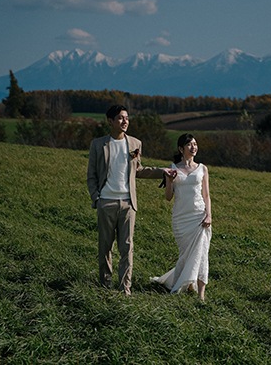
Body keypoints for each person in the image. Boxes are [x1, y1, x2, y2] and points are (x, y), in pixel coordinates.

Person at [86, 104, 177, 295]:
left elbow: (139, 170)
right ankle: (105, 286)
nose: (125, 121)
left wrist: (163, 172)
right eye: (120, 118)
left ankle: (125, 289)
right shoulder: (98, 144)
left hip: (128, 204)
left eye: (126, 118)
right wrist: (97, 199)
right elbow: (91, 175)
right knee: (105, 249)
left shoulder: (135, 144)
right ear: (110, 121)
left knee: (127, 249)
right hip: (106, 202)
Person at [151, 133, 213, 300]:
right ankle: (185, 283)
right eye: (189, 145)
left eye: (195, 144)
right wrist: (169, 181)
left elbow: (206, 195)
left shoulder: (202, 168)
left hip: (199, 217)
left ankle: (201, 295)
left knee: (201, 253)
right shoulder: (172, 167)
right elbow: (169, 197)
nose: (194, 147)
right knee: (186, 254)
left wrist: (208, 215)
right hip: (181, 218)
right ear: (181, 148)